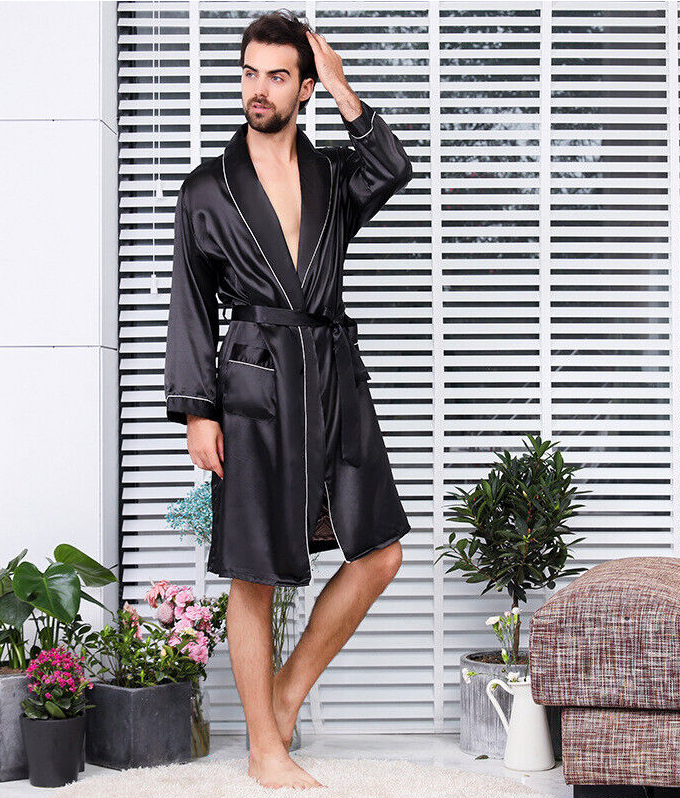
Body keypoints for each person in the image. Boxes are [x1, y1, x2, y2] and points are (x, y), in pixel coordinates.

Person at [164, 10, 413, 790]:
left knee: (380, 553)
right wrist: (198, 410)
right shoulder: (207, 188)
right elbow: (189, 304)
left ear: (302, 88)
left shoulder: (334, 176)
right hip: (255, 384)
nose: (259, 90)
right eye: (250, 73)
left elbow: (393, 167)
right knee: (254, 572)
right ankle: (264, 750)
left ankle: (285, 695)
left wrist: (341, 83)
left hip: (334, 375)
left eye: (278, 76)